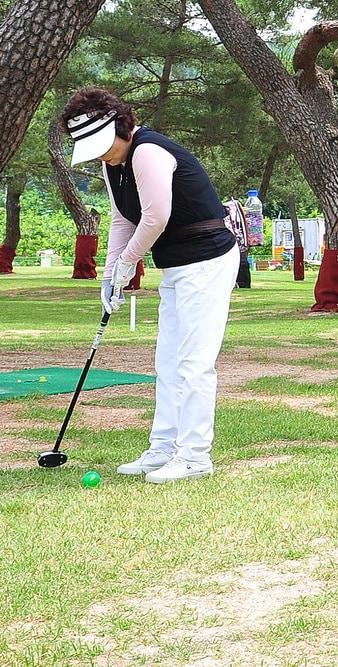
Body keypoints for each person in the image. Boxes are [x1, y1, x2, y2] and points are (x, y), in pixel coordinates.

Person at [63, 87, 238, 483]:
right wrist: (110, 275)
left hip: (207, 261)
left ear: (120, 127)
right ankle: (163, 447)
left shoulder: (148, 151)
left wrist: (128, 263)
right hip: (176, 266)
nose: (101, 154)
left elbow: (156, 216)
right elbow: (123, 219)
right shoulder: (114, 164)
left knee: (194, 363)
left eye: (103, 144)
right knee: (168, 361)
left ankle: (194, 456)